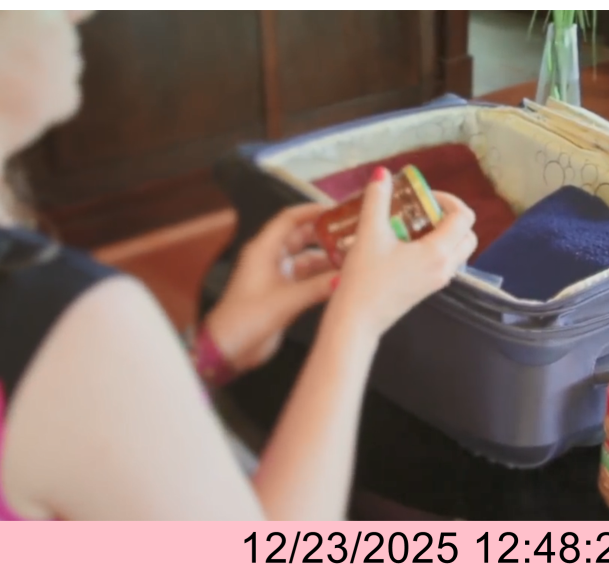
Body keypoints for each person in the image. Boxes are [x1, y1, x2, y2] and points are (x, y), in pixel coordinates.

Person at [0, 11, 477, 520]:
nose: (84, 10)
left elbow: (79, 441)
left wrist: (211, 350)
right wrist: (357, 321)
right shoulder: (76, 324)